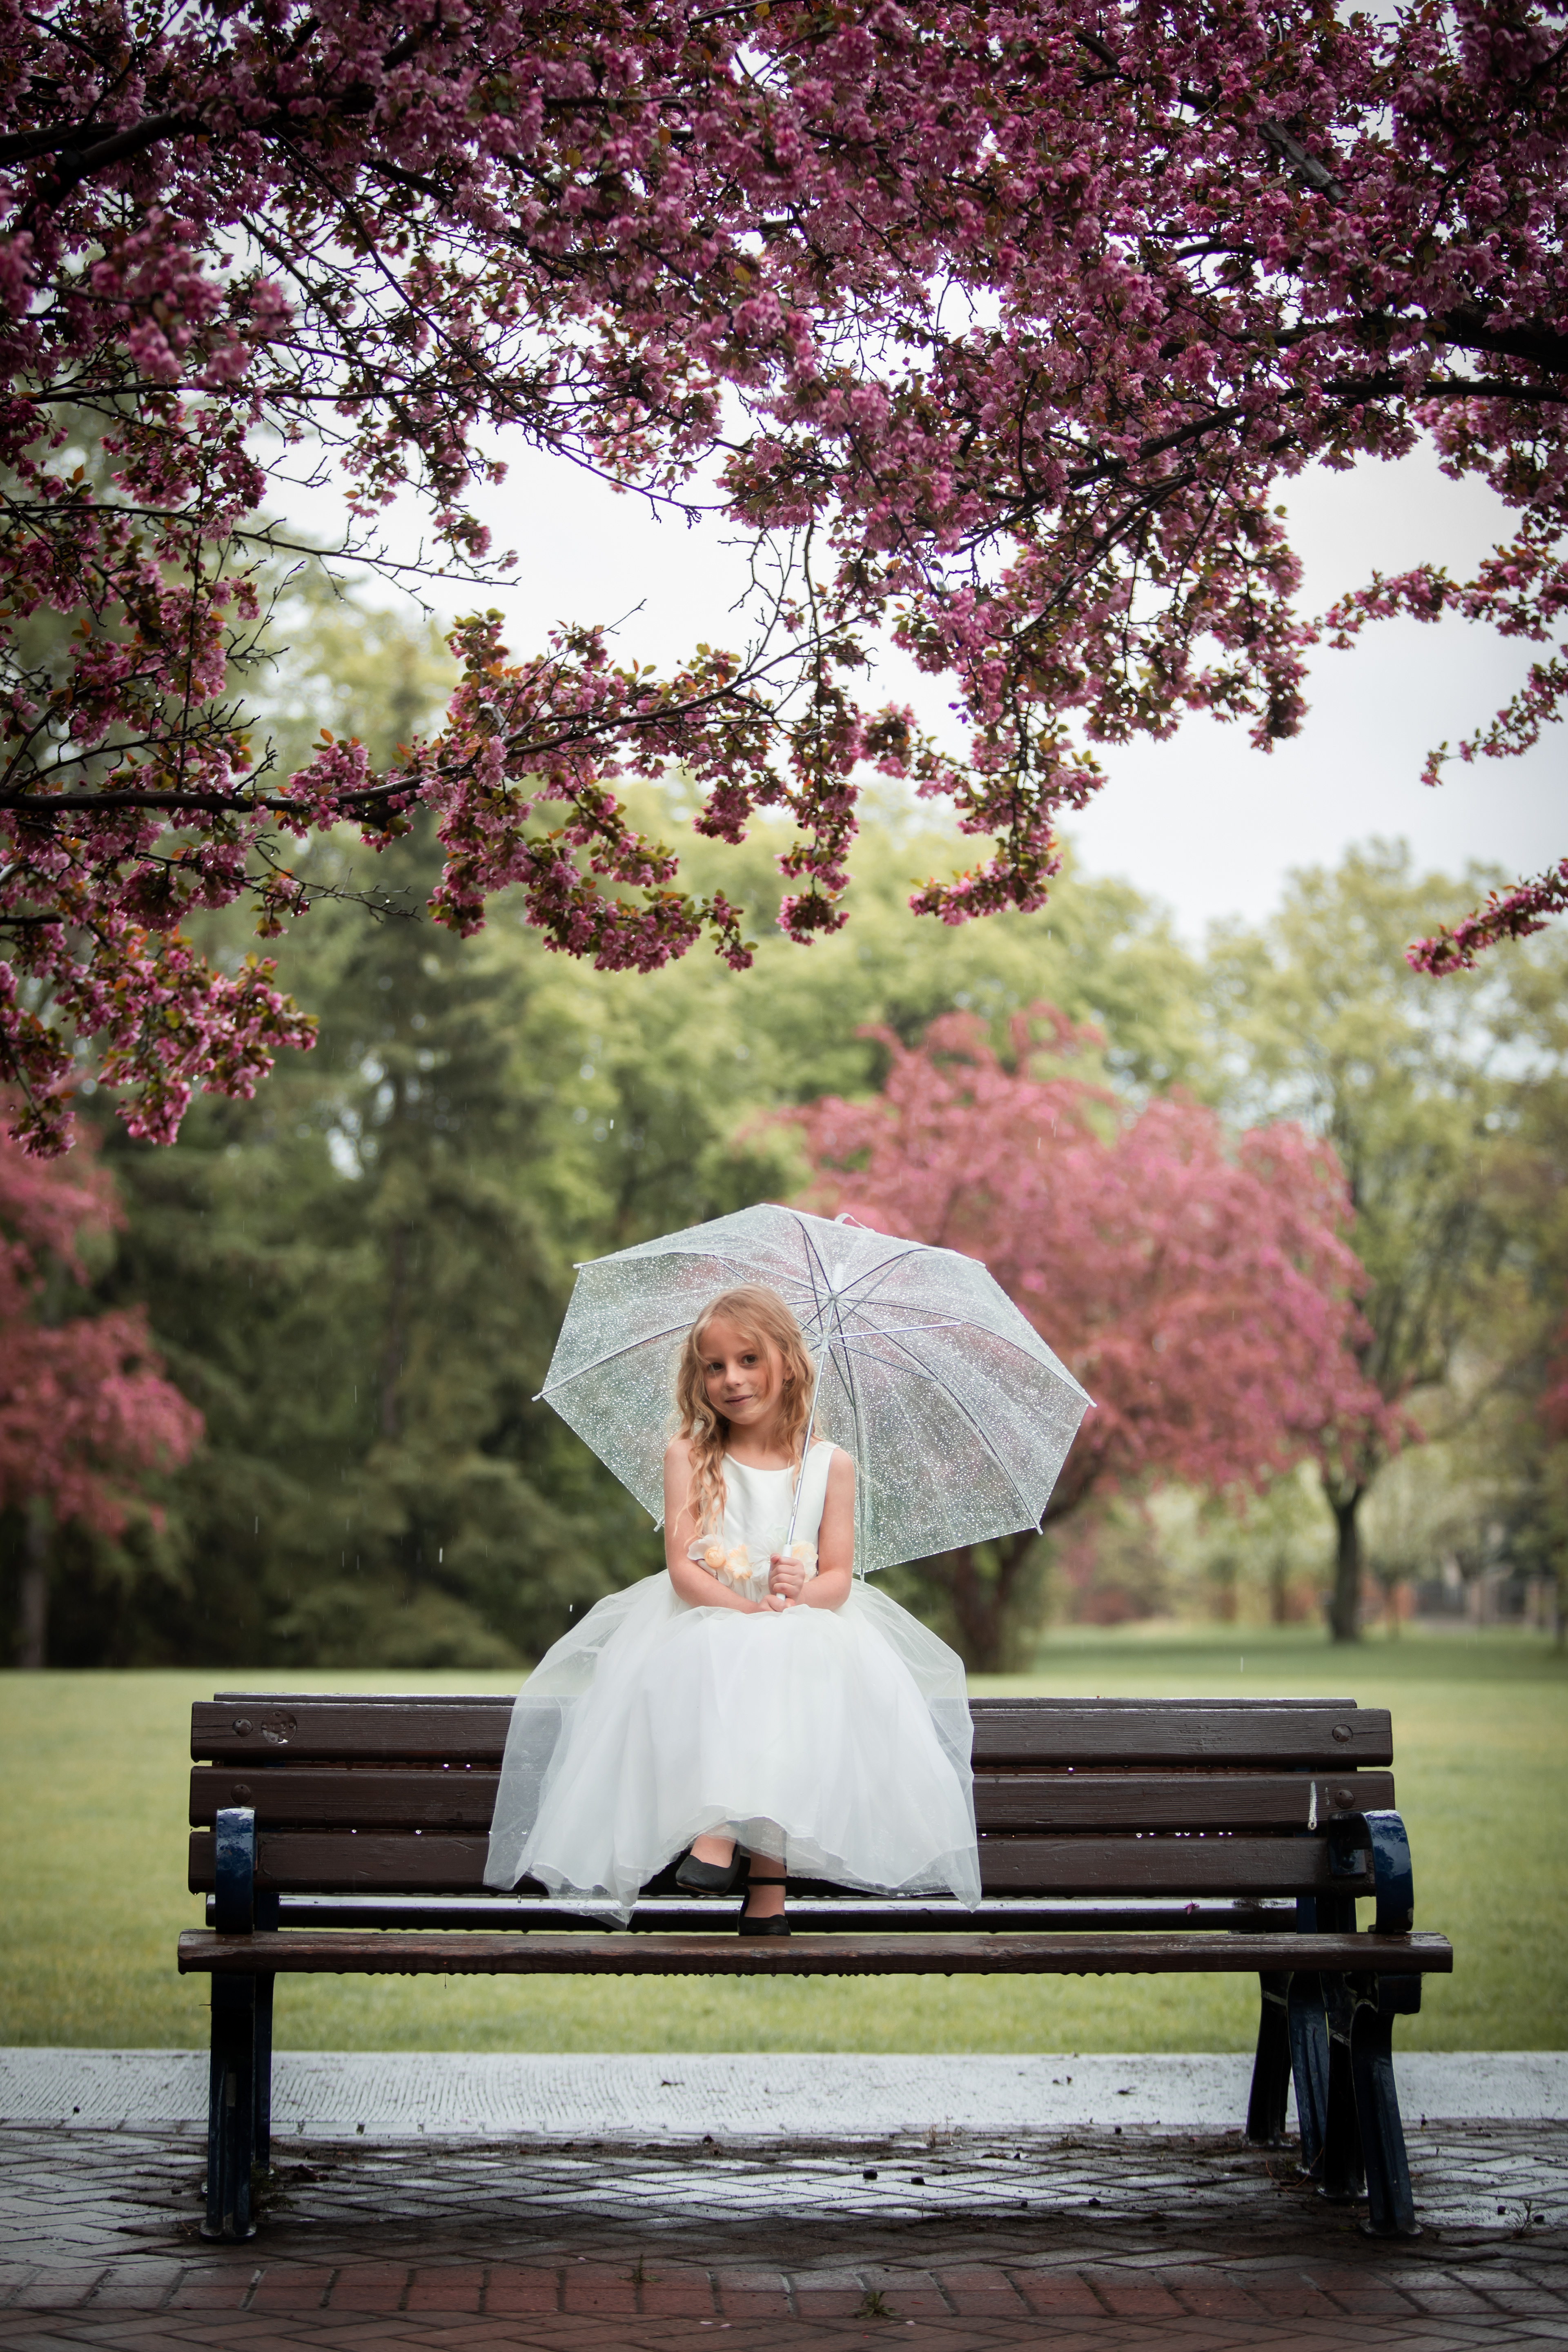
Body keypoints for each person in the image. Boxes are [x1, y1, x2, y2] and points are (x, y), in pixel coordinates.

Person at [484, 1283, 980, 1935]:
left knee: (785, 1682)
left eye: (748, 1360)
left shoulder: (829, 1466)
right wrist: (746, 1617)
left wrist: (796, 1590)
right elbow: (685, 1569)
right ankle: (717, 1831)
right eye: (714, 1366)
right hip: (707, 1618)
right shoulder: (689, 1455)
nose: (732, 1379)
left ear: (789, 1364)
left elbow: (839, 1581)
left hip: (799, 1626)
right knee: (737, 1659)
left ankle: (763, 1894)